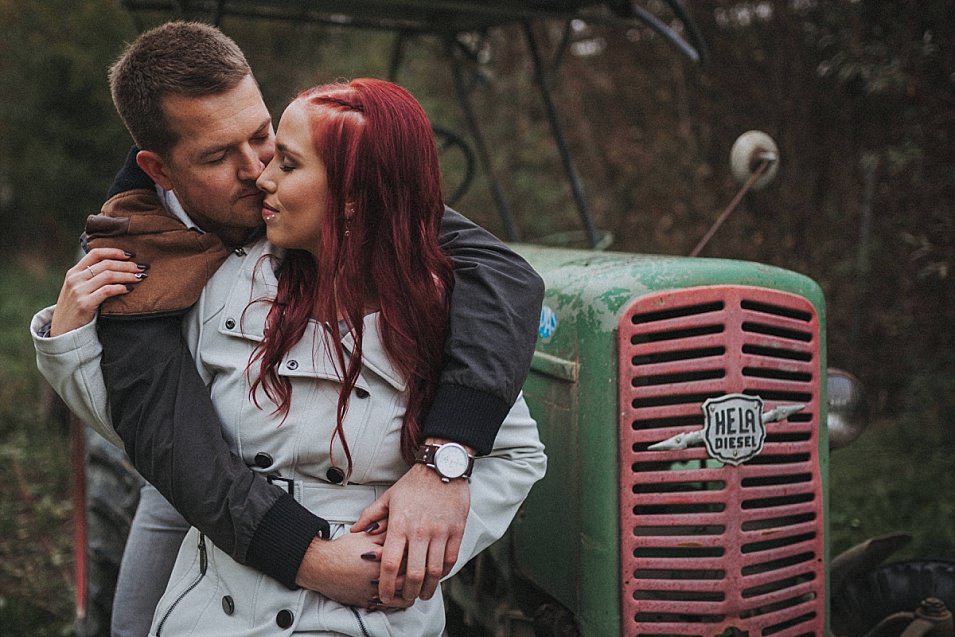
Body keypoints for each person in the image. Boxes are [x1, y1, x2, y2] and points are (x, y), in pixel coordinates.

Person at [32, 21, 544, 636]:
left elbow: (502, 272)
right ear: (159, 170)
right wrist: (308, 556)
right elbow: (163, 434)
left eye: (262, 137)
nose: (256, 171)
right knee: (135, 620)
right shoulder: (136, 250)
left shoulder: (342, 195)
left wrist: (444, 466)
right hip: (187, 473)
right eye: (218, 157)